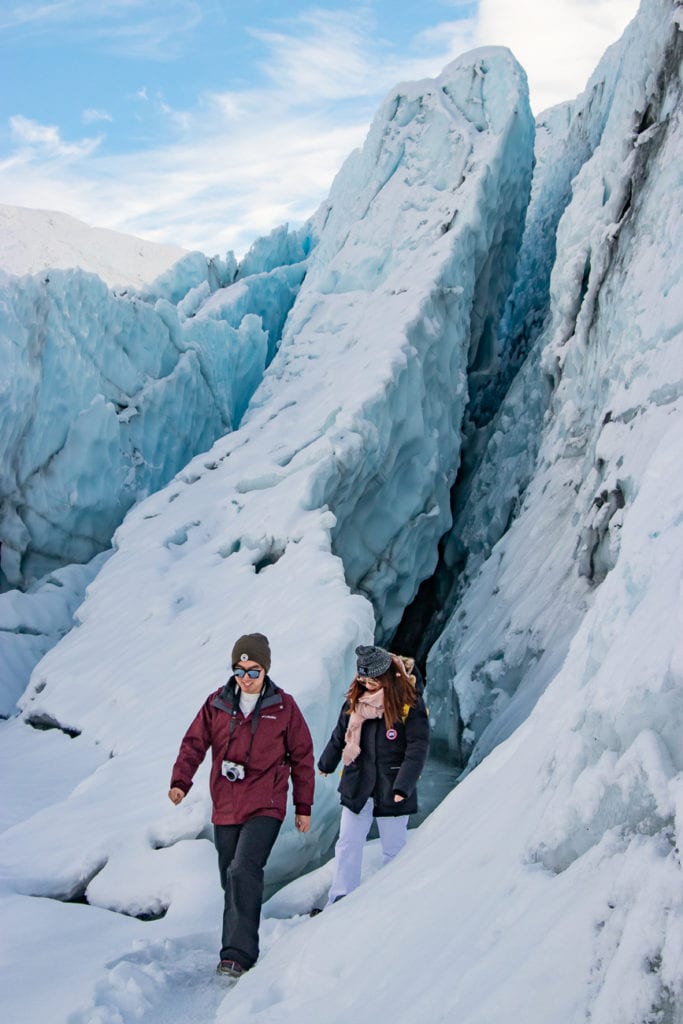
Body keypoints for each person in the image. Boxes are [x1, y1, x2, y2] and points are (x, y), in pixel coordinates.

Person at [168, 632, 314, 978]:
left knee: (243, 870)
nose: (246, 678)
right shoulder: (217, 704)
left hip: (267, 802)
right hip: (227, 804)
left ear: (265, 671)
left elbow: (303, 758)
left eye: (253, 671)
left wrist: (303, 806)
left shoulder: (284, 707)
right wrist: (180, 781)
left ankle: (236, 955)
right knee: (230, 877)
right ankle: (238, 940)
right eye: (240, 670)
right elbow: (194, 744)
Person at [317, 643, 429, 906]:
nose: (367, 684)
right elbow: (340, 735)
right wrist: (326, 763)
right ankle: (341, 897)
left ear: (387, 676)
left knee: (394, 848)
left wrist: (404, 785)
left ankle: (394, 901)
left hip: (392, 786)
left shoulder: (407, 703)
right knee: (348, 843)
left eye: (373, 679)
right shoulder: (355, 702)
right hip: (358, 783)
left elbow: (418, 746)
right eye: (363, 678)